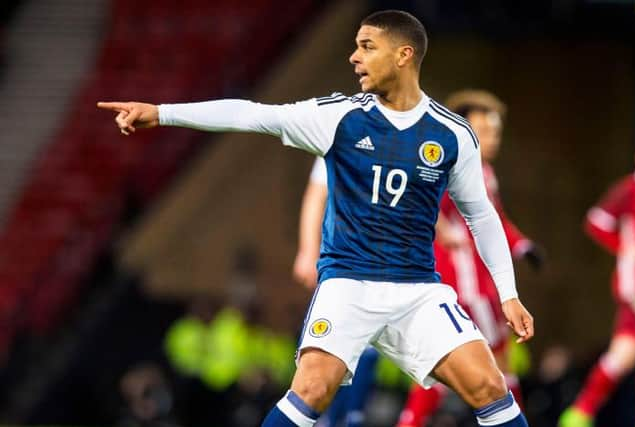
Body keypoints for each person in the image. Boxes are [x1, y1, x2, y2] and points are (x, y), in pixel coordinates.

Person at [97, 10, 534, 427]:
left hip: (417, 289)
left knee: (489, 385)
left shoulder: (452, 135)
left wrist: (509, 295)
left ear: (403, 55)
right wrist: (162, 112)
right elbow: (253, 114)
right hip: (348, 284)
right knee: (312, 387)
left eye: (367, 46)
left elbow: (484, 218)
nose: (354, 57)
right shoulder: (338, 116)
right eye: (354, 46)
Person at [396, 90, 544, 427]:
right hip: (463, 285)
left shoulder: (484, 171)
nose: (492, 140)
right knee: (491, 363)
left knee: (461, 365)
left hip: (480, 285)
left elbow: (496, 219)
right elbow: (412, 196)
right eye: (484, 132)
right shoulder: (448, 164)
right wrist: (438, 226)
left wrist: (522, 246)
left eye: (496, 132)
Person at [293, 157, 380, 427]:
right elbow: (316, 194)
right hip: (344, 262)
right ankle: (320, 417)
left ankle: (349, 417)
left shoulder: (407, 140)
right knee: (326, 341)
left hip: (390, 267)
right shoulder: (342, 135)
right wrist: (308, 250)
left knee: (368, 346)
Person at [558, 147, 635, 427]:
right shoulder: (629, 189)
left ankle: (581, 411)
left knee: (623, 354)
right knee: (622, 355)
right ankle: (580, 413)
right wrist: (626, 249)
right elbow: (596, 222)